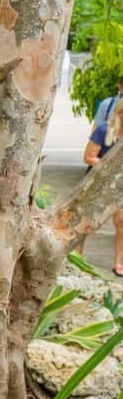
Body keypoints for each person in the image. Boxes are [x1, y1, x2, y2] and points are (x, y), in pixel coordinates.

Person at [83, 98, 123, 277]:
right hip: (99, 182)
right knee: (86, 221)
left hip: (120, 185)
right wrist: (110, 168)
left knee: (121, 222)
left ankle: (119, 262)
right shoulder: (104, 130)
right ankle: (77, 257)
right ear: (119, 113)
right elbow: (88, 157)